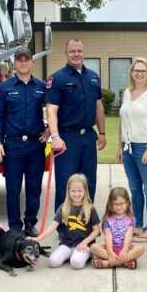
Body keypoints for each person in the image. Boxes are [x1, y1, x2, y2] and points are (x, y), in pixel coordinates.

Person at [0, 46, 48, 237]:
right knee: (13, 189)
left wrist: (49, 130)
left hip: (35, 145)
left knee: (34, 187)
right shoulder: (5, 87)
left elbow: (53, 111)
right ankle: (15, 226)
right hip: (13, 145)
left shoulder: (42, 87)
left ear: (32, 62)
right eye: (20, 60)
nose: (23, 63)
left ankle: (30, 223)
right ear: (14, 63)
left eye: (26, 59)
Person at [46, 39, 107, 209]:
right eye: (72, 51)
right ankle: (64, 227)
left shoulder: (93, 77)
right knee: (66, 184)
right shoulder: (57, 78)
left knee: (89, 182)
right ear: (66, 53)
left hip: (88, 137)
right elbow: (51, 110)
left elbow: (98, 106)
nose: (76, 54)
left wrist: (102, 133)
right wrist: (55, 136)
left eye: (79, 51)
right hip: (67, 139)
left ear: (83, 52)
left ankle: (86, 223)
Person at [117, 57, 147, 241]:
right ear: (131, 72)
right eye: (136, 70)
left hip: (145, 146)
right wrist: (120, 145)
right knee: (135, 189)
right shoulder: (127, 93)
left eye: (143, 71)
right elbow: (123, 120)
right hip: (128, 147)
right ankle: (137, 225)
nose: (139, 74)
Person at [31, 173, 101, 269]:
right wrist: (38, 238)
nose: (76, 194)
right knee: (52, 262)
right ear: (68, 191)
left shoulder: (90, 208)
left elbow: (96, 230)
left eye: (80, 191)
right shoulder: (63, 207)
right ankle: (70, 254)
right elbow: (53, 227)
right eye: (73, 191)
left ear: (85, 190)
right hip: (67, 244)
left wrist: (85, 242)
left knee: (76, 264)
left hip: (84, 244)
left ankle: (84, 255)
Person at [91, 187, 145, 269]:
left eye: (121, 204)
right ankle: (125, 262)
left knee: (141, 249)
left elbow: (128, 236)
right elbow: (108, 237)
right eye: (115, 204)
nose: (119, 207)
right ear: (110, 204)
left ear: (127, 203)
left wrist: (125, 250)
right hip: (110, 248)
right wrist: (110, 252)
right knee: (93, 247)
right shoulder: (107, 219)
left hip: (126, 248)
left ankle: (108, 263)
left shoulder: (131, 219)